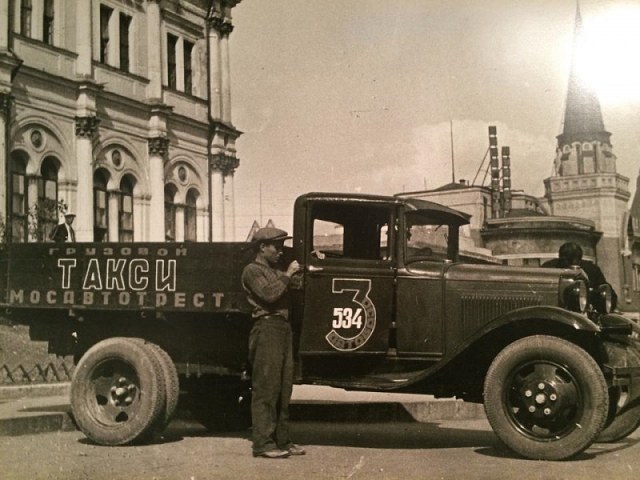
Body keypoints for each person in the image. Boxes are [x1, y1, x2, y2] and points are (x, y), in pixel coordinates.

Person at [241, 227, 306, 459]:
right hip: (267, 327)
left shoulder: (275, 270)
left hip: (282, 329)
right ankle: (263, 444)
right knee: (266, 388)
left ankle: (283, 440)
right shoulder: (252, 270)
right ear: (262, 247)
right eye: (276, 247)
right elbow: (269, 295)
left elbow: (297, 285)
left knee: (283, 388)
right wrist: (288, 275)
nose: (280, 251)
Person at [542, 242, 617, 310]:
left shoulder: (591, 270)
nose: (569, 266)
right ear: (560, 258)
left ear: (579, 260)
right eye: (565, 261)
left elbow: (607, 293)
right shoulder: (549, 268)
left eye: (572, 262)